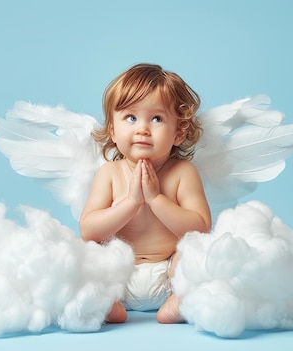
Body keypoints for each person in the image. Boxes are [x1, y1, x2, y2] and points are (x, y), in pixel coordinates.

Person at [79, 63, 212, 324]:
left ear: (179, 132)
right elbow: (89, 229)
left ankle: (180, 302)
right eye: (131, 117)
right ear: (113, 131)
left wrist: (156, 199)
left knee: (199, 251)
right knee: (84, 249)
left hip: (170, 277)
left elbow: (200, 228)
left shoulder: (183, 173)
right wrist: (131, 202)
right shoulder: (109, 173)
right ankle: (106, 305)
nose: (142, 128)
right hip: (118, 280)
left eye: (157, 118)